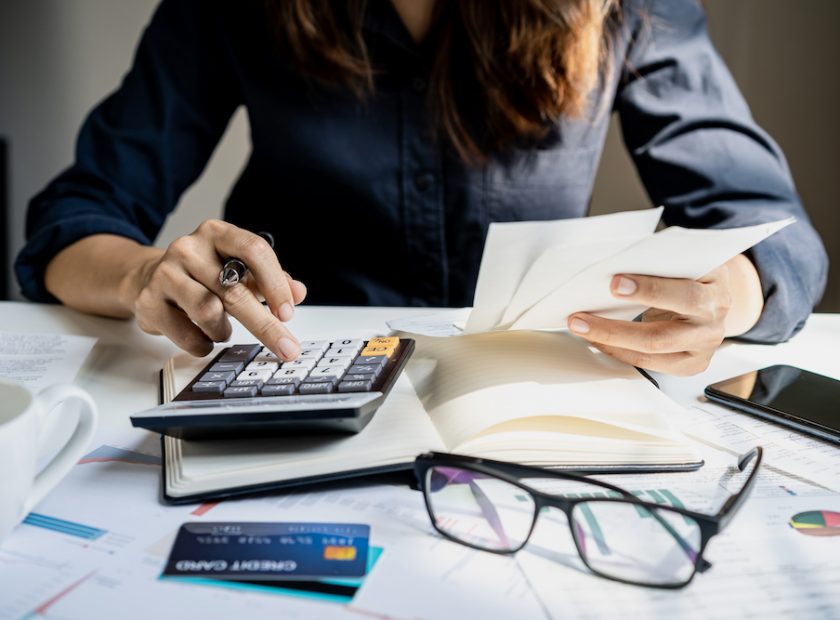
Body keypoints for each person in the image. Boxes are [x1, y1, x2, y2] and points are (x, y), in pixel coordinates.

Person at [15, 0, 827, 376]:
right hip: (294, 376)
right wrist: (142, 274)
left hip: (536, 391)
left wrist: (733, 291)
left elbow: (770, 229)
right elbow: (75, 215)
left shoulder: (635, 6)